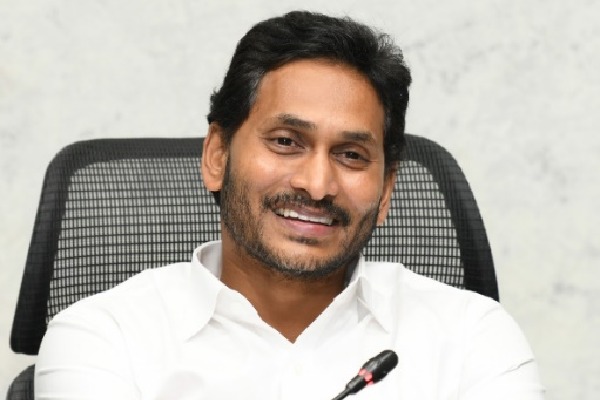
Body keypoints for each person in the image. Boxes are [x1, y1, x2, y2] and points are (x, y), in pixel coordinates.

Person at [35, 10, 545, 400]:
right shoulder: (103, 338)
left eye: (351, 155)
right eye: (285, 142)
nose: (317, 185)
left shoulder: (472, 337)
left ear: (387, 189)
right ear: (217, 156)